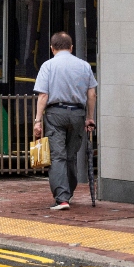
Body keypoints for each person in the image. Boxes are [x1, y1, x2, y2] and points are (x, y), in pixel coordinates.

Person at [33, 32, 97, 211]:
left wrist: (38, 121)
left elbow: (43, 95)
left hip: (55, 114)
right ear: (71, 47)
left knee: (58, 156)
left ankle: (62, 198)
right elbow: (92, 94)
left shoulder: (48, 65)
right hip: (77, 114)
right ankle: (68, 192)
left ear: (52, 48)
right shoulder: (84, 66)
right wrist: (89, 118)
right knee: (71, 156)